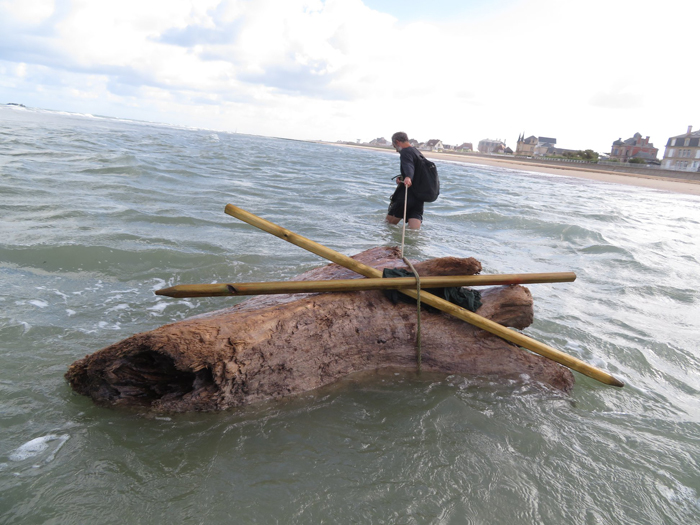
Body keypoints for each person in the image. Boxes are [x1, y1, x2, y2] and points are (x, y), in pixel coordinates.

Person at [385, 131, 424, 230]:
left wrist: (407, 177)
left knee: (388, 225)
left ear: (397, 142)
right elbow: (416, 170)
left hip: (406, 195)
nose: (395, 149)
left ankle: (388, 244)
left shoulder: (405, 152)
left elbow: (409, 167)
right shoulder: (416, 152)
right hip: (419, 196)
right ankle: (412, 245)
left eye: (394, 146)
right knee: (413, 231)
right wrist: (402, 177)